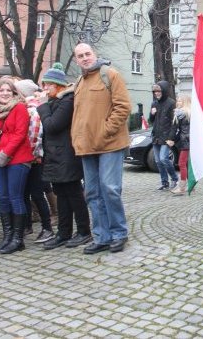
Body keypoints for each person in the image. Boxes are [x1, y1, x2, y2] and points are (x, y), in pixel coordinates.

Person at [71, 43, 131, 254]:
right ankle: (102, 236)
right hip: (87, 147)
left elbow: (123, 107)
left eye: (87, 54)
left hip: (109, 144)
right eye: (80, 56)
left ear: (94, 54)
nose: (85, 58)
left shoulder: (110, 75)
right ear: (76, 60)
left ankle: (118, 233)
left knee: (110, 189)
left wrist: (106, 130)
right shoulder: (79, 82)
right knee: (92, 193)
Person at [37, 64, 92, 250]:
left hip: (67, 155)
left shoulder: (67, 100)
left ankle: (84, 231)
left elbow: (52, 125)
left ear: (58, 85)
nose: (45, 89)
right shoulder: (56, 101)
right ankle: (63, 232)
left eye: (48, 85)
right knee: (61, 194)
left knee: (74, 194)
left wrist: (42, 106)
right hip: (56, 155)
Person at [0, 79, 33, 254]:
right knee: (3, 198)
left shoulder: (20, 108)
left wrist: (5, 154)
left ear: (14, 93)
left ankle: (18, 239)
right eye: (1, 90)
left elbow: (20, 134)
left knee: (15, 197)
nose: (4, 93)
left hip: (18, 159)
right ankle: (7, 237)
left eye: (8, 90)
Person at [14, 79, 54, 243]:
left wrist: (31, 156)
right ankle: (27, 225)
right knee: (24, 193)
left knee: (36, 193)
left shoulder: (32, 110)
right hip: (29, 158)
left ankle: (47, 228)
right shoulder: (27, 108)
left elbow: (34, 137)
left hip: (34, 159)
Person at [149, 81, 178, 190]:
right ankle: (164, 182)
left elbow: (174, 123)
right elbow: (151, 120)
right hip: (156, 135)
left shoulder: (171, 103)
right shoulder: (154, 103)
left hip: (166, 136)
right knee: (157, 161)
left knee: (163, 158)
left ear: (164, 91)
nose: (156, 93)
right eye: (155, 91)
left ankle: (175, 179)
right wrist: (152, 114)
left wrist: (171, 138)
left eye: (159, 91)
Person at [170, 94, 191, 195]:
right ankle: (190, 185)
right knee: (185, 164)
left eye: (180, 101)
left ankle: (182, 188)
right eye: (177, 101)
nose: (178, 103)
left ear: (185, 103)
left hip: (186, 142)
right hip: (185, 141)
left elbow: (185, 132)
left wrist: (173, 139)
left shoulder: (185, 114)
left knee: (182, 163)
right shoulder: (181, 114)